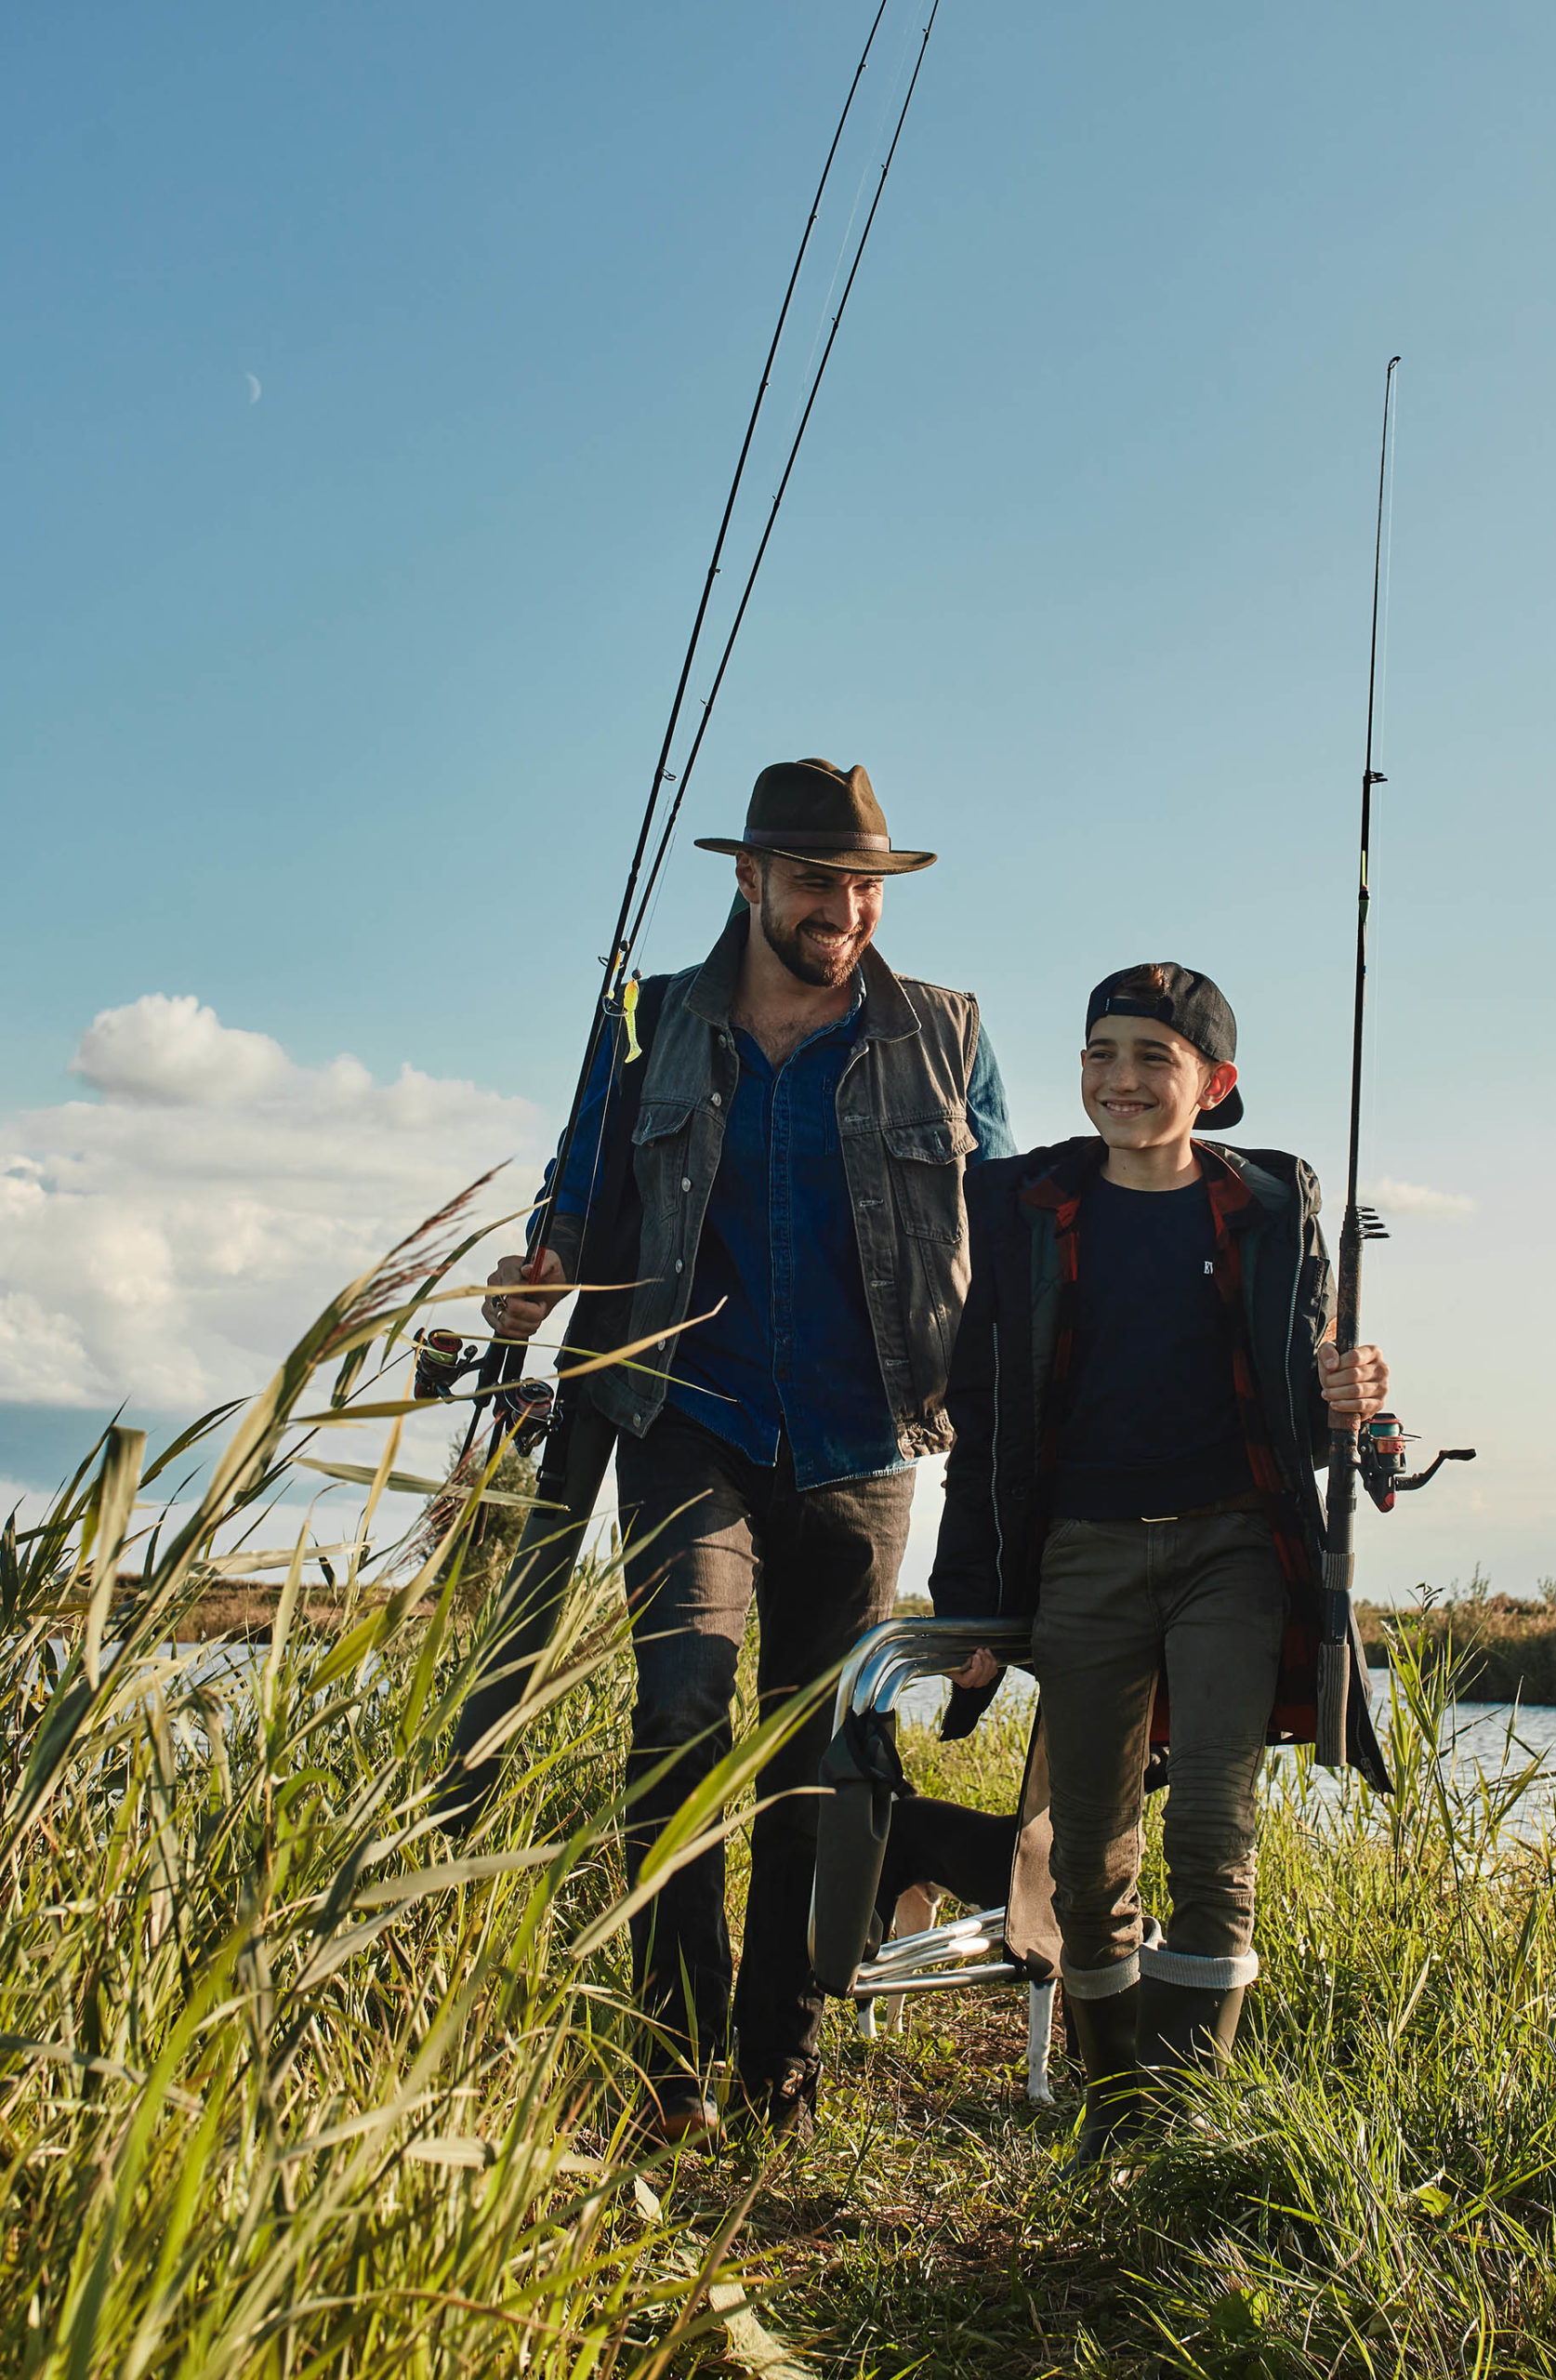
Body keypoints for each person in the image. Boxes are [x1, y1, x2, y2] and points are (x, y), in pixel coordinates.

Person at [467, 757, 1014, 2146]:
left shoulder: (948, 1034)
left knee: (814, 1753)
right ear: (750, 877)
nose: (847, 908)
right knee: (676, 1719)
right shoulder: (649, 1021)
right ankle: (668, 2059)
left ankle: (776, 2058)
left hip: (865, 1437)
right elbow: (576, 1196)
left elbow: (1015, 1245)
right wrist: (539, 1273)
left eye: (866, 886)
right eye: (822, 880)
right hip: (680, 1417)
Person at [929, 961, 1391, 2164]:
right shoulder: (1021, 1203)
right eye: (1101, 1055)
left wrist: (1356, 1393)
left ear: (1214, 1084)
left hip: (1232, 1554)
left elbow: (1319, 1382)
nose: (1120, 1081)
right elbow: (980, 1410)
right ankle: (1115, 2109)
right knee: (1088, 1853)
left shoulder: (1272, 1207)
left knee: (1216, 1835)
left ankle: (1182, 2124)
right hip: (1080, 1558)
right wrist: (971, 1599)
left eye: (1153, 1060)